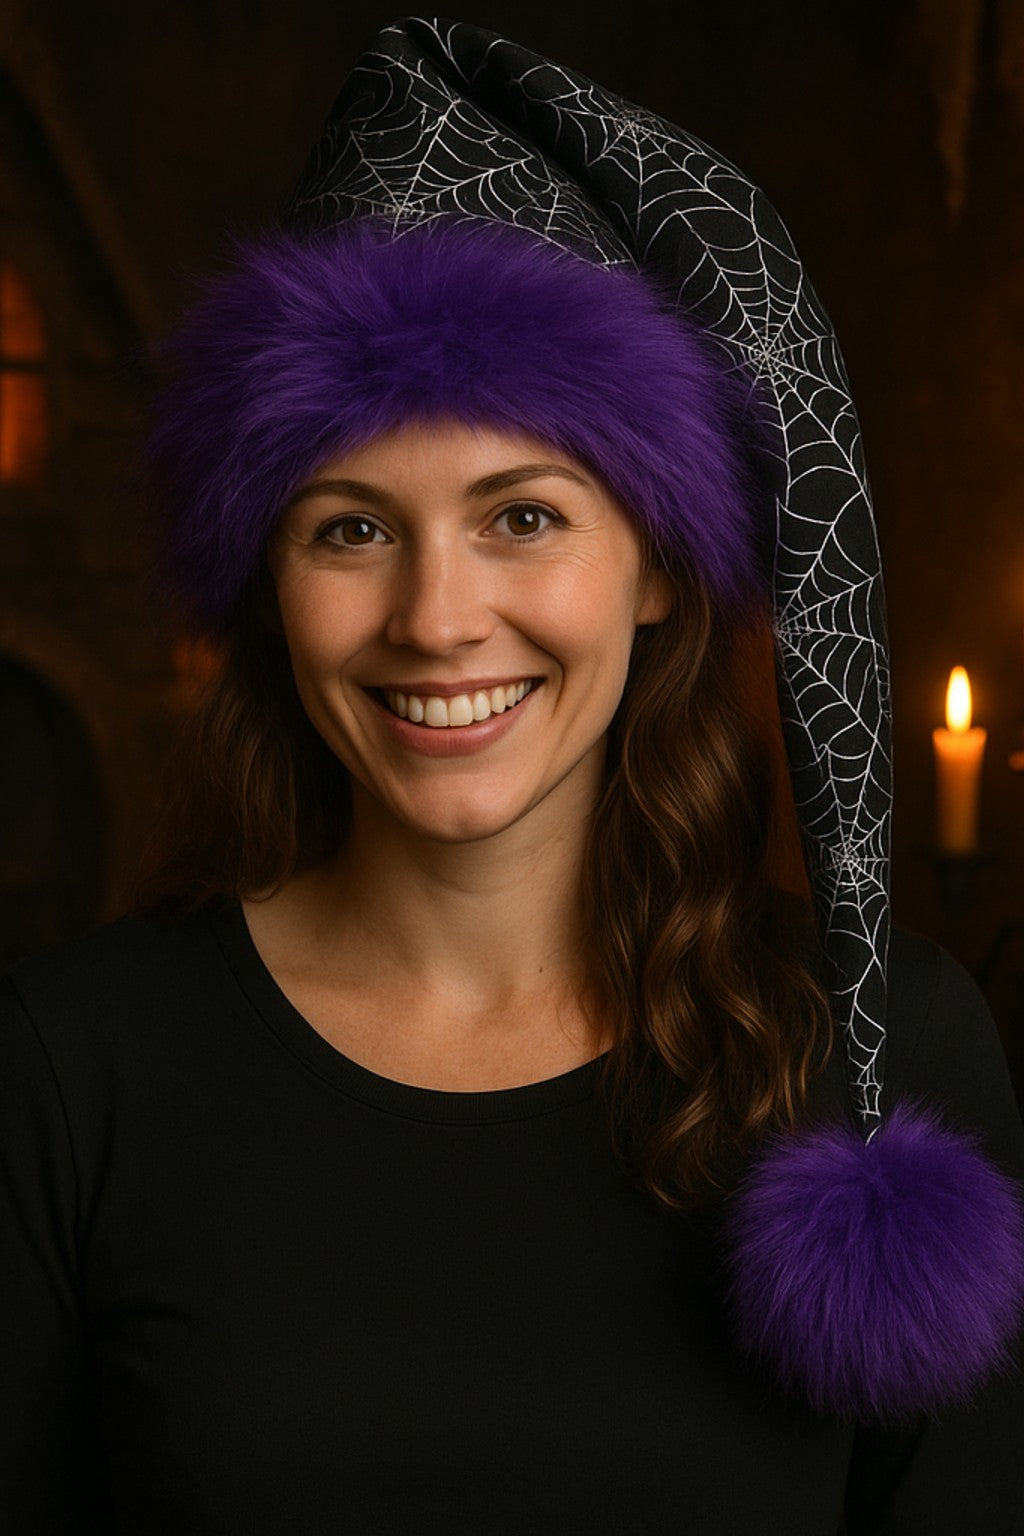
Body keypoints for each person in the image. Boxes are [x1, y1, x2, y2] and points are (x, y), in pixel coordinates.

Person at [2, 18, 1023, 1534]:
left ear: (658, 566)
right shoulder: (70, 1069)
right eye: (350, 526)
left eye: (524, 516)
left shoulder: (880, 1056)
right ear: (267, 586)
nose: (433, 616)